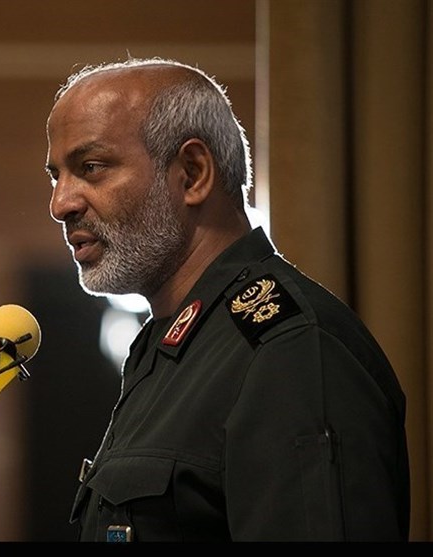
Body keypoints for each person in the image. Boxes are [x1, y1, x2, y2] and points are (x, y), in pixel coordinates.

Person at [44, 58, 410, 542]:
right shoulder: (171, 344)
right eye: (56, 176)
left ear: (192, 173)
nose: (61, 204)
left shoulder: (289, 350)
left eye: (90, 168)